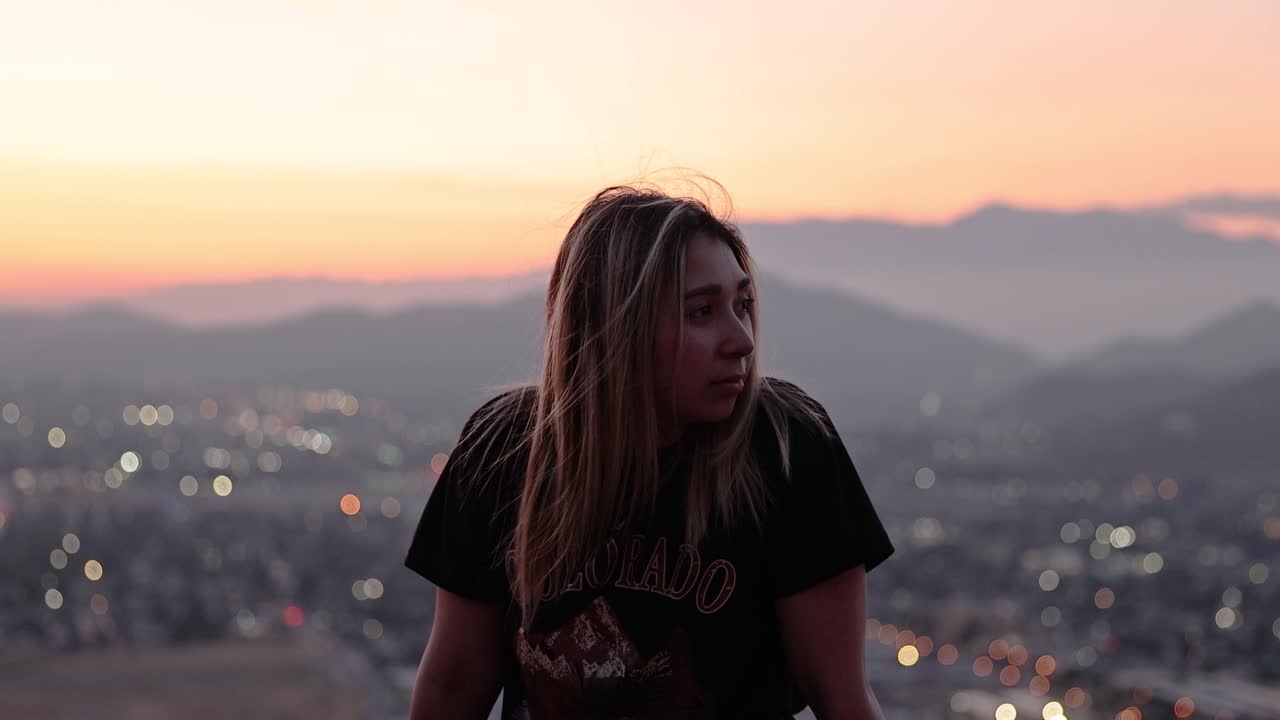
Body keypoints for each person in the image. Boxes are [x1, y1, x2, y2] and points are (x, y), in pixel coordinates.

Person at [404, 180, 895, 719]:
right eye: (701, 312)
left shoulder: (784, 447)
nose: (743, 340)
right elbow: (452, 689)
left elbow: (841, 698)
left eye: (743, 305)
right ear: (617, 325)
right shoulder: (503, 451)